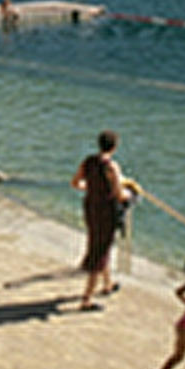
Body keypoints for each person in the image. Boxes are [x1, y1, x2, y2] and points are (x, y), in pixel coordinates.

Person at [71, 129, 126, 310]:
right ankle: (86, 299)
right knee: (101, 251)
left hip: (91, 208)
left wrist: (92, 188)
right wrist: (131, 195)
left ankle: (107, 284)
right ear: (115, 147)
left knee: (99, 244)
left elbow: (76, 183)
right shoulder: (111, 166)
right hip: (105, 211)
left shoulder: (88, 162)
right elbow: (119, 195)